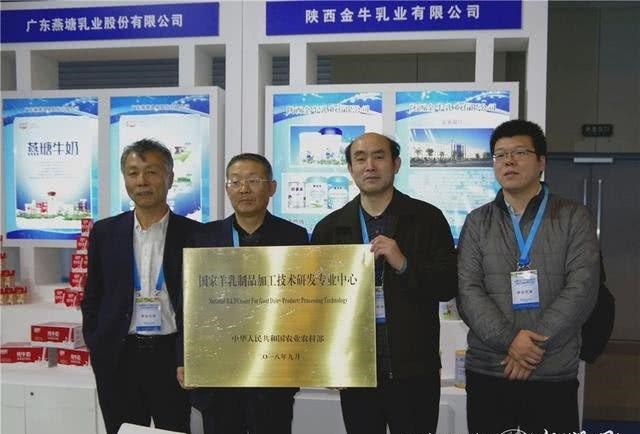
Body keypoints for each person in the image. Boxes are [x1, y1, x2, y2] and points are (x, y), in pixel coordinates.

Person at [457, 119, 600, 434]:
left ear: (541, 162)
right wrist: (511, 341)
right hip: (490, 369)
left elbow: (582, 288)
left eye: (520, 152)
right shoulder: (477, 221)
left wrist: (531, 349)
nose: (508, 161)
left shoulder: (574, 217)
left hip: (551, 371)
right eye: (500, 154)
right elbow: (468, 291)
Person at [311, 132, 458, 434]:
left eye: (379, 156)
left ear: (396, 163)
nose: (370, 166)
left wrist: (404, 264)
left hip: (415, 370)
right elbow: (319, 305)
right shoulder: (329, 228)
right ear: (350, 169)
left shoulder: (428, 219)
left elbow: (447, 286)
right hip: (357, 372)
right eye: (360, 159)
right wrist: (329, 361)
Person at [176, 153, 308, 434]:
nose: (244, 189)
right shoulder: (204, 238)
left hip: (273, 372)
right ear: (227, 189)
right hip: (219, 373)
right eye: (235, 182)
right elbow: (188, 305)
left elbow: (305, 304)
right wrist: (184, 357)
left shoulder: (294, 237)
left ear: (271, 187)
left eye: (253, 180)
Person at [81, 139, 199, 434]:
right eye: (133, 173)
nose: (142, 181)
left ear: (170, 177)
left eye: (151, 172)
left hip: (171, 357)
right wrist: (96, 342)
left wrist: (189, 355)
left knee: (174, 428)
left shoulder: (195, 234)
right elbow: (93, 294)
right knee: (122, 429)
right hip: (118, 355)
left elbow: (201, 303)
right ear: (125, 179)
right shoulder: (105, 232)